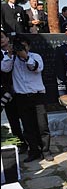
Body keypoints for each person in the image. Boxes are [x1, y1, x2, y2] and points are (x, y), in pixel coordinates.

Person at [3, 34, 53, 162]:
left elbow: (36, 68)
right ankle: (34, 151)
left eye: (23, 46)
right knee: (28, 126)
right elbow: (4, 68)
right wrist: (10, 54)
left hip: (37, 96)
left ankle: (46, 150)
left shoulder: (35, 56)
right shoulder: (11, 59)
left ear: (29, 46)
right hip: (21, 98)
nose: (21, 49)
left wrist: (25, 56)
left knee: (42, 126)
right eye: (19, 46)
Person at [1, 28, 27, 153]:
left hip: (23, 89)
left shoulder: (19, 50)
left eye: (1, 37)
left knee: (27, 118)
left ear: (7, 38)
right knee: (13, 120)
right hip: (7, 92)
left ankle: (33, 143)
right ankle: (21, 143)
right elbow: (5, 69)